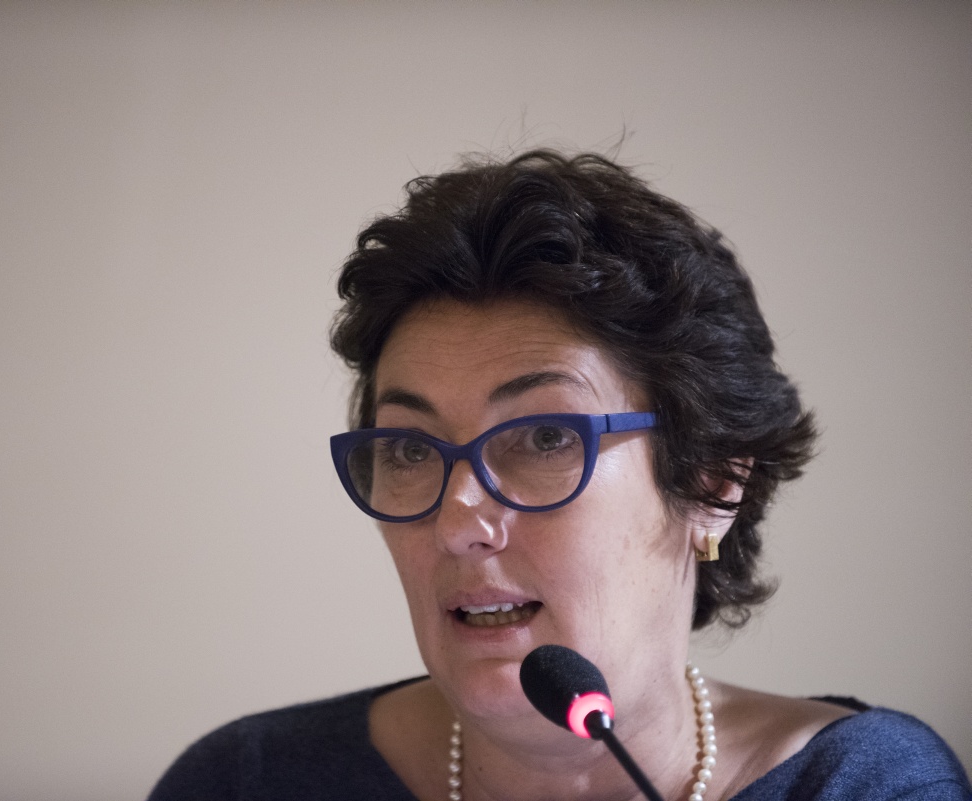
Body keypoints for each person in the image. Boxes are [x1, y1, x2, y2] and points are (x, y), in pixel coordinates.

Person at [149, 150, 970, 800]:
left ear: (715, 481)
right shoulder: (246, 780)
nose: (458, 522)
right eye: (410, 449)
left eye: (543, 436)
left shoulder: (866, 784)